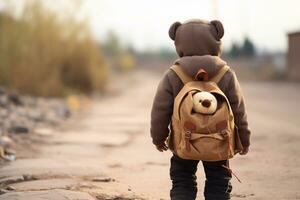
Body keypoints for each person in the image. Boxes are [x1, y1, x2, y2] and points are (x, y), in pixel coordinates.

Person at [150, 19, 251, 200]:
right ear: (215, 40)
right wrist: (244, 138)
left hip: (184, 142)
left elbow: (160, 109)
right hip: (219, 141)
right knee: (219, 182)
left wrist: (158, 138)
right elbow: (238, 109)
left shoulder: (174, 74)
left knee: (182, 180)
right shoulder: (226, 73)